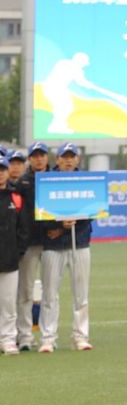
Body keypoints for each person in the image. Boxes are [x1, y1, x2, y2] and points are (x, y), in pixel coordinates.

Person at [36, 144, 93, 352]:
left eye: (72, 157)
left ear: (77, 159)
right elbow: (40, 215)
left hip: (80, 243)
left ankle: (80, 336)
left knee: (81, 294)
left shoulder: (86, 181)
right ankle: (48, 338)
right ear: (57, 159)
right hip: (52, 246)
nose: (68, 160)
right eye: (65, 157)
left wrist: (70, 224)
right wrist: (59, 225)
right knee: (50, 294)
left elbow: (93, 212)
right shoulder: (46, 182)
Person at [9, 146, 38, 349]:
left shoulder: (26, 186)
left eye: (19, 163)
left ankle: (25, 335)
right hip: (7, 249)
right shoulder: (7, 189)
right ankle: (9, 334)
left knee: (25, 292)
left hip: (26, 247)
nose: (15, 167)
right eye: (12, 164)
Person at [0, 150, 22, 355]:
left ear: (8, 172)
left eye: (2, 169)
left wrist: (18, 251)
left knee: (8, 303)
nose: (0, 173)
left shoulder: (16, 197)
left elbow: (23, 229)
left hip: (10, 259)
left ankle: (8, 340)